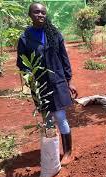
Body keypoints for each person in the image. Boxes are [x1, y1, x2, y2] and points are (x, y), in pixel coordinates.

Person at [16, 2, 78, 165]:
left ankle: (68, 152)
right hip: (39, 85)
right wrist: (29, 78)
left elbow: (64, 58)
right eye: (36, 12)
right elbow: (22, 63)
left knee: (60, 116)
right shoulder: (25, 38)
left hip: (57, 81)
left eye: (43, 12)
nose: (40, 15)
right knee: (47, 119)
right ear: (30, 15)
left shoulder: (54, 34)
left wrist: (69, 81)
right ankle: (52, 151)